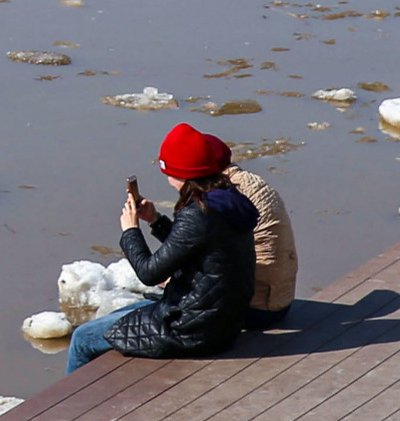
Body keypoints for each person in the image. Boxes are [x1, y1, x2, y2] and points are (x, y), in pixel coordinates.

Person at [65, 125, 258, 372]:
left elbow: (149, 274)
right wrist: (155, 220)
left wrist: (130, 230)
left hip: (190, 331)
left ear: (178, 171)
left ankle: (72, 408)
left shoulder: (196, 214)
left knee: (82, 338)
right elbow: (194, 250)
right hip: (222, 322)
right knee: (126, 311)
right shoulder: (225, 201)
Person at [229, 161, 296, 322]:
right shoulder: (253, 183)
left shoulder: (224, 196)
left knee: (159, 298)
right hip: (281, 300)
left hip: (258, 308)